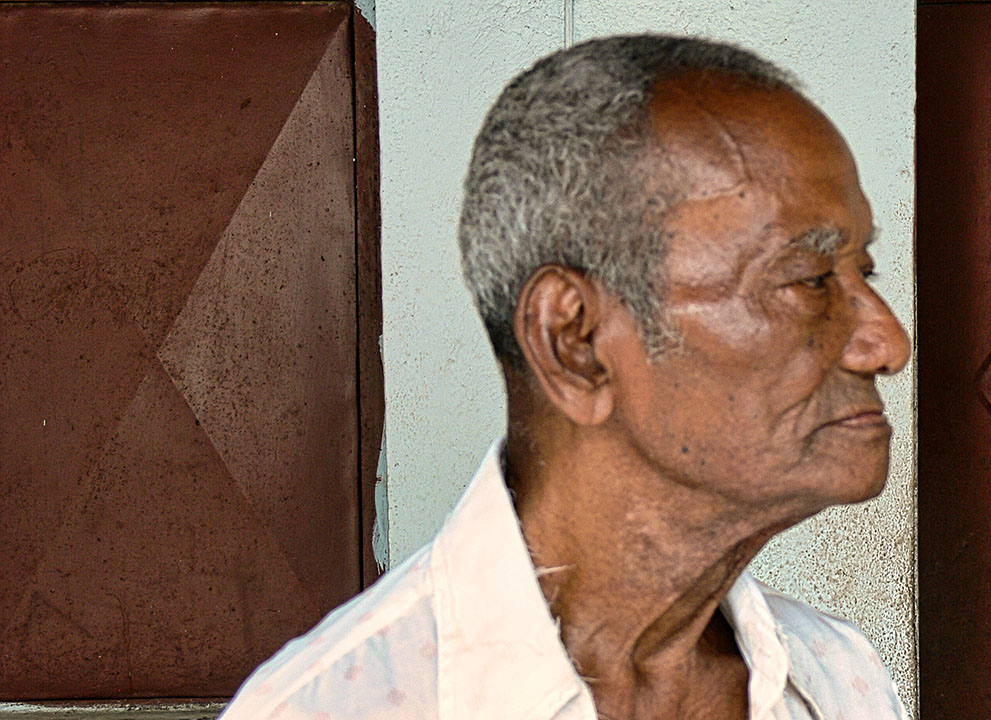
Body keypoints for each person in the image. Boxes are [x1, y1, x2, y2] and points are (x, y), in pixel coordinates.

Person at [221, 34, 911, 720]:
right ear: (573, 341)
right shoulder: (338, 707)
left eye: (865, 272)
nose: (887, 344)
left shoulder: (833, 679)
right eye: (808, 279)